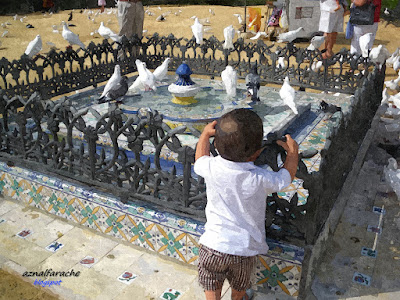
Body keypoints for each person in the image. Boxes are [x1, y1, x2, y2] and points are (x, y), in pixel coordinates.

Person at [194, 109, 299, 300]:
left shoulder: (210, 167)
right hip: (243, 250)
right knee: (240, 283)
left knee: (211, 280)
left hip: (212, 246)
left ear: (216, 144)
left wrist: (204, 135)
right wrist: (292, 153)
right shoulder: (260, 178)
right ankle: (238, 298)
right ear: (258, 152)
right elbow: (285, 178)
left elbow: (199, 158)